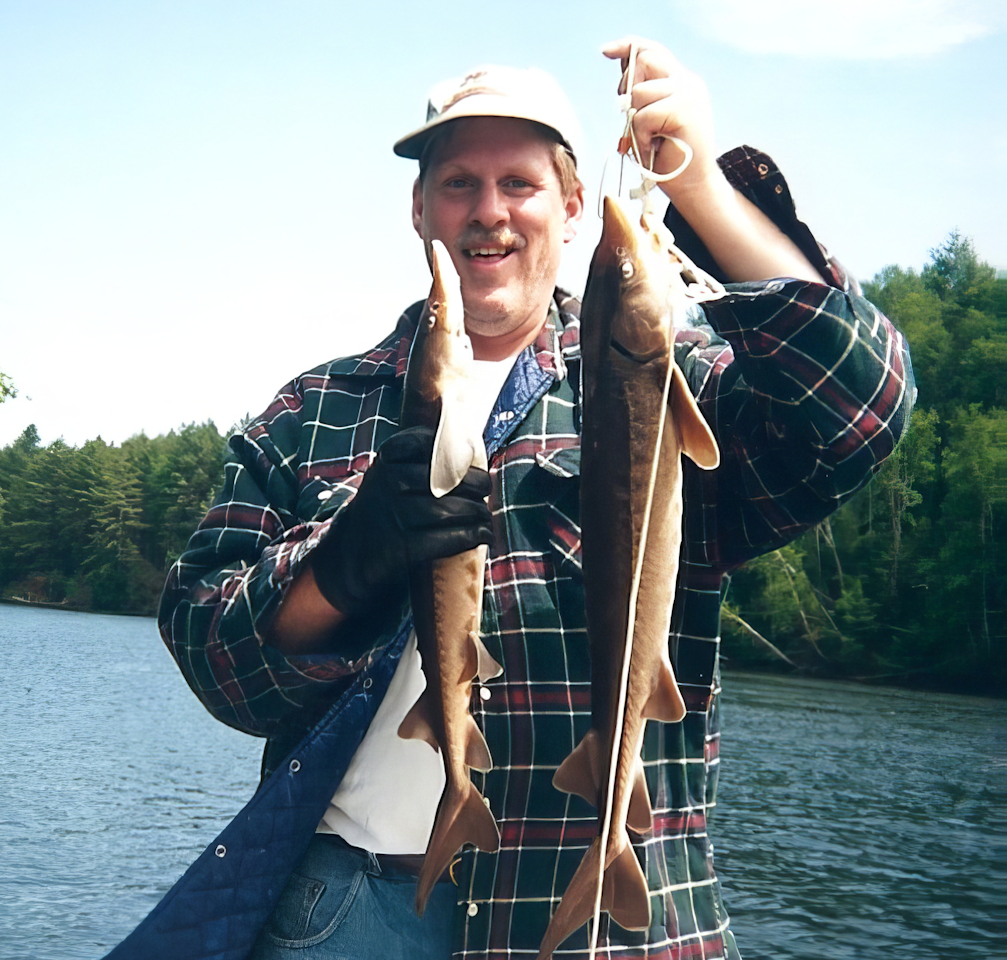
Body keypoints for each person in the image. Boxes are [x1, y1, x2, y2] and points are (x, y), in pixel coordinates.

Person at [125, 37, 915, 960]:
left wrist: (701, 187)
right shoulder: (315, 409)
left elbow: (862, 408)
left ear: (575, 204)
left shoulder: (672, 386)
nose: (488, 211)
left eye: (520, 183)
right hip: (343, 908)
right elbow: (212, 653)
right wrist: (341, 567)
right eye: (458, 182)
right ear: (419, 207)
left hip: (601, 922)